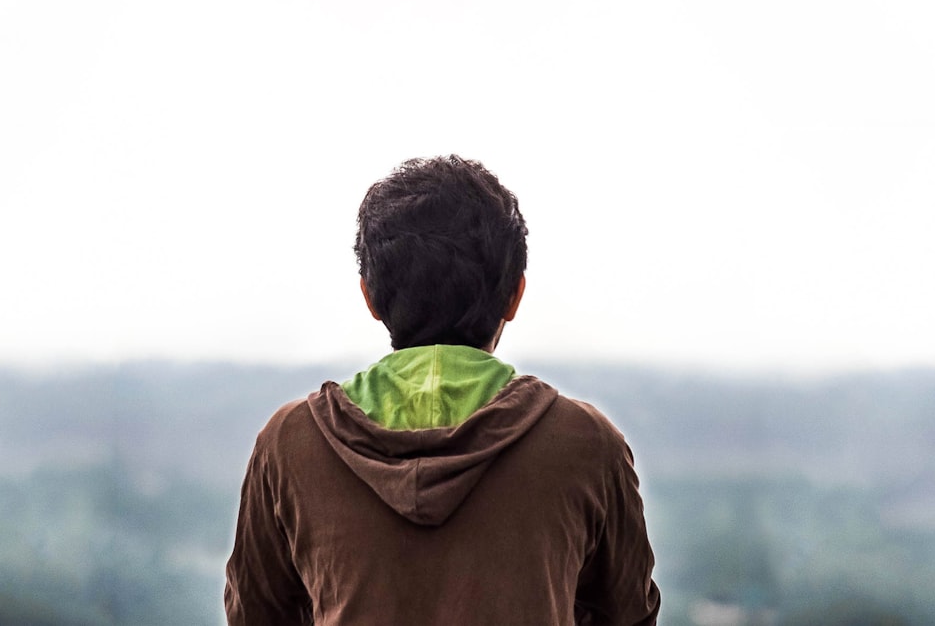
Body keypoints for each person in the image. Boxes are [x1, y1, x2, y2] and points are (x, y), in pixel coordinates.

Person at [224, 155, 661, 625]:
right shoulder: (586, 444)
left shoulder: (292, 443)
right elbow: (628, 615)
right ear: (515, 295)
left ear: (369, 296)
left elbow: (255, 615)